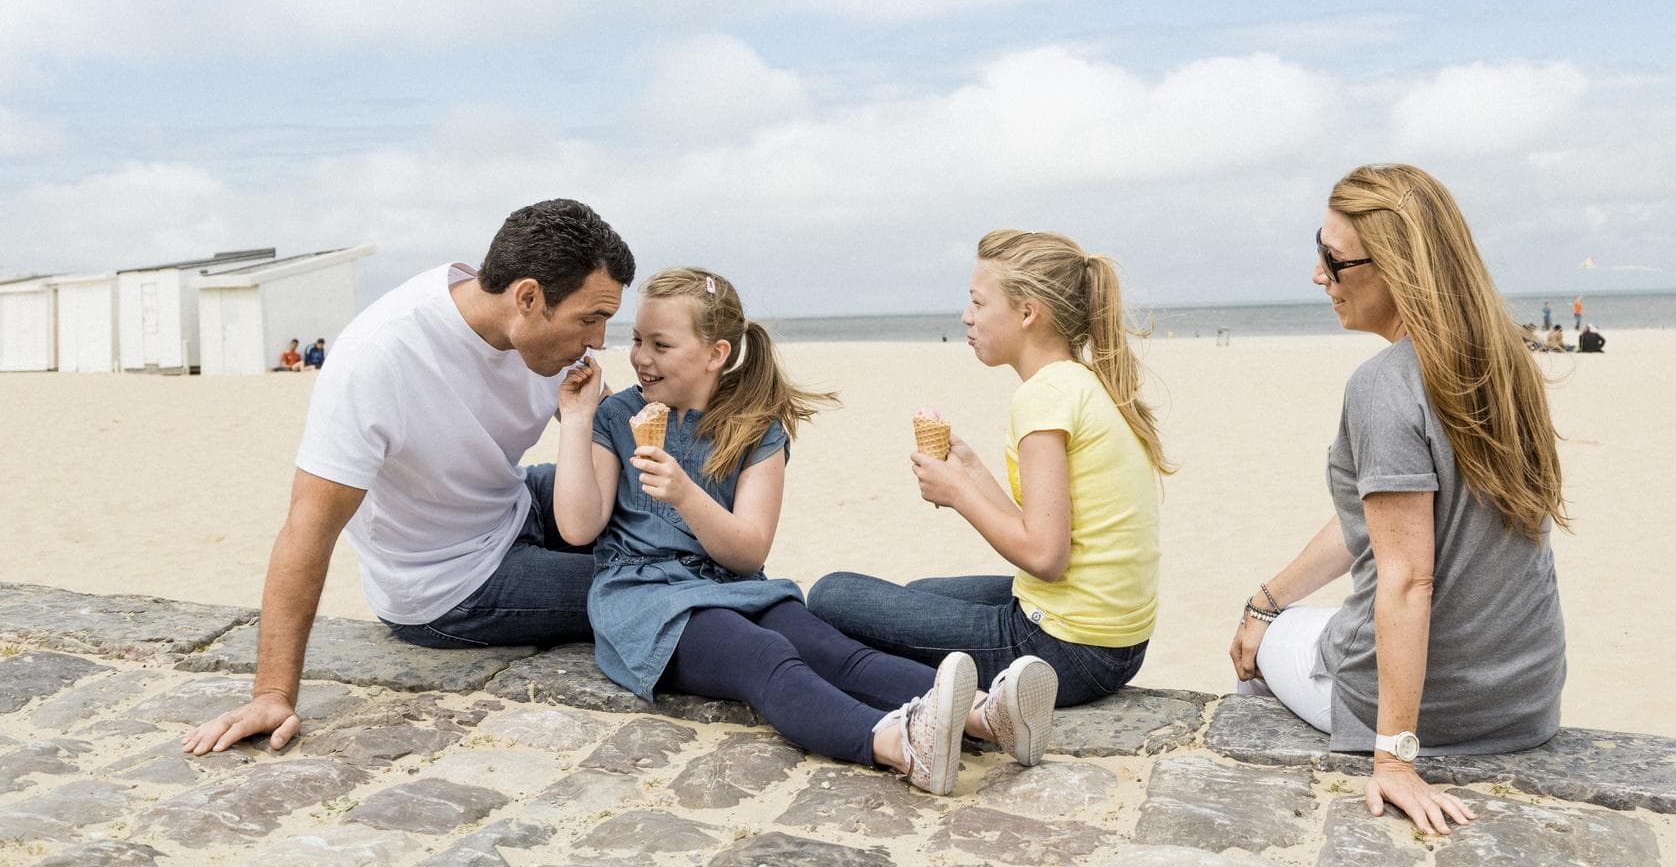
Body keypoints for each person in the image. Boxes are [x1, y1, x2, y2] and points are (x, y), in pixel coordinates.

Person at [563, 268, 1055, 795]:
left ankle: (986, 715)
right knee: (763, 656)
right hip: (644, 599)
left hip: (735, 584)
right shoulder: (616, 416)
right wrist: (576, 418)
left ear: (716, 353)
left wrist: (685, 494)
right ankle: (899, 745)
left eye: (660, 345)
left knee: (831, 648)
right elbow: (577, 526)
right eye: (638, 339)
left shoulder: (756, 429)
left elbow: (748, 553)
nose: (640, 357)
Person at [183, 199, 635, 755]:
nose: (598, 340)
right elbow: (308, 527)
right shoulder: (380, 356)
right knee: (646, 586)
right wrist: (272, 694)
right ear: (527, 298)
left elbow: (610, 435)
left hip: (510, 500)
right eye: (590, 319)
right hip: (449, 582)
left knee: (660, 524)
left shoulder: (537, 333)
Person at [1228, 164, 1567, 836]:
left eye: (1334, 259)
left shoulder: (1383, 386)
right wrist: (1267, 598)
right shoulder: (1506, 365)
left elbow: (1408, 577)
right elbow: (1384, 520)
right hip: (1525, 701)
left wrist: (1394, 759)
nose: (1319, 275)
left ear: (1398, 267)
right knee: (1276, 619)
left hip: (1436, 711)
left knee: (1259, 655)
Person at [810, 229, 1173, 709]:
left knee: (831, 596)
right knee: (919, 594)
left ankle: (940, 706)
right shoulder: (1082, 382)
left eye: (978, 302)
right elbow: (1042, 531)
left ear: (1027, 313)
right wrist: (972, 472)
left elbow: (1044, 557)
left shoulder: (1042, 397)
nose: (967, 316)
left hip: (1065, 650)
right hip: (1117, 645)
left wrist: (958, 494)